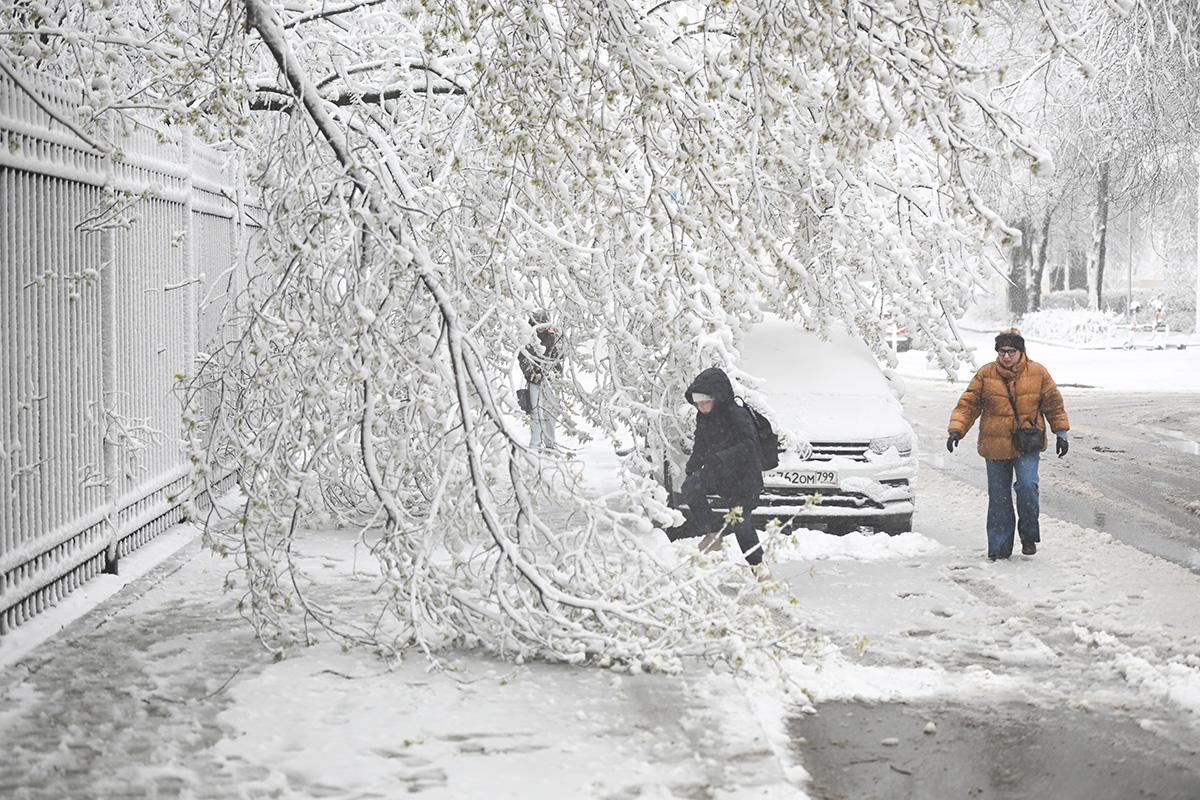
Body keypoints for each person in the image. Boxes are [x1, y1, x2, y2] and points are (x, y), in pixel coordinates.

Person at [946, 329, 1070, 560]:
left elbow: (1054, 404)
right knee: (999, 498)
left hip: (1027, 442)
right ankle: (999, 549)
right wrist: (957, 430)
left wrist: (1061, 432)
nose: (1006, 356)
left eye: (1011, 351)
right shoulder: (986, 374)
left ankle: (1028, 535)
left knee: (1027, 486)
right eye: (1002, 351)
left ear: (1021, 351)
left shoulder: (1038, 372)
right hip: (994, 444)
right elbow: (968, 404)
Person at [666, 367, 769, 579]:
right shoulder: (704, 417)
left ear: (718, 398)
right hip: (721, 475)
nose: (701, 407)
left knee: (741, 525)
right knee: (691, 486)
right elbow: (701, 446)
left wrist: (722, 457)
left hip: (744, 480)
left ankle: (760, 570)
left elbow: (750, 446)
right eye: (698, 403)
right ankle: (713, 535)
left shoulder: (737, 415)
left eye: (706, 402)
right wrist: (692, 467)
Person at [518, 310, 564, 451]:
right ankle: (535, 445)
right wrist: (532, 373)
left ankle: (549, 444)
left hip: (550, 380)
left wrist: (554, 373)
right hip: (536, 381)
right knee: (537, 413)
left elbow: (559, 357)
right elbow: (523, 357)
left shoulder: (554, 337)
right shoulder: (530, 339)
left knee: (550, 413)